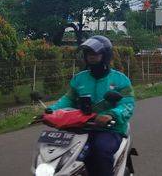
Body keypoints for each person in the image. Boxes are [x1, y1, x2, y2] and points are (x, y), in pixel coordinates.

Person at [49, 36, 135, 176]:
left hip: (110, 129)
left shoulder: (120, 80)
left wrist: (111, 115)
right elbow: (67, 99)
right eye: (89, 54)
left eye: (95, 54)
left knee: (100, 150)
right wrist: (51, 110)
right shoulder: (79, 78)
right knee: (60, 152)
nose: (91, 57)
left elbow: (127, 105)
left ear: (105, 55)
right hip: (80, 127)